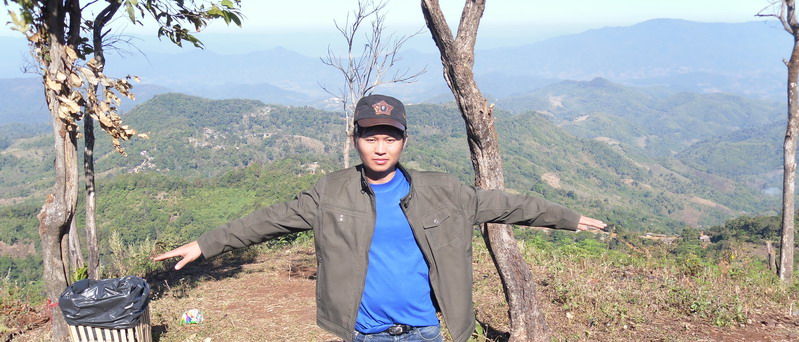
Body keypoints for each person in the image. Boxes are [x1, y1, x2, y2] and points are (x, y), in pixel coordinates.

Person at [154, 94, 607, 342]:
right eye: (371, 137)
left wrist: (568, 218)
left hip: (425, 331)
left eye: (390, 137)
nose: (380, 147)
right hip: (364, 332)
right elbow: (267, 221)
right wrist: (205, 244)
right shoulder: (330, 193)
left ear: (404, 141)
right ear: (356, 139)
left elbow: (511, 204)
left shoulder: (443, 192)